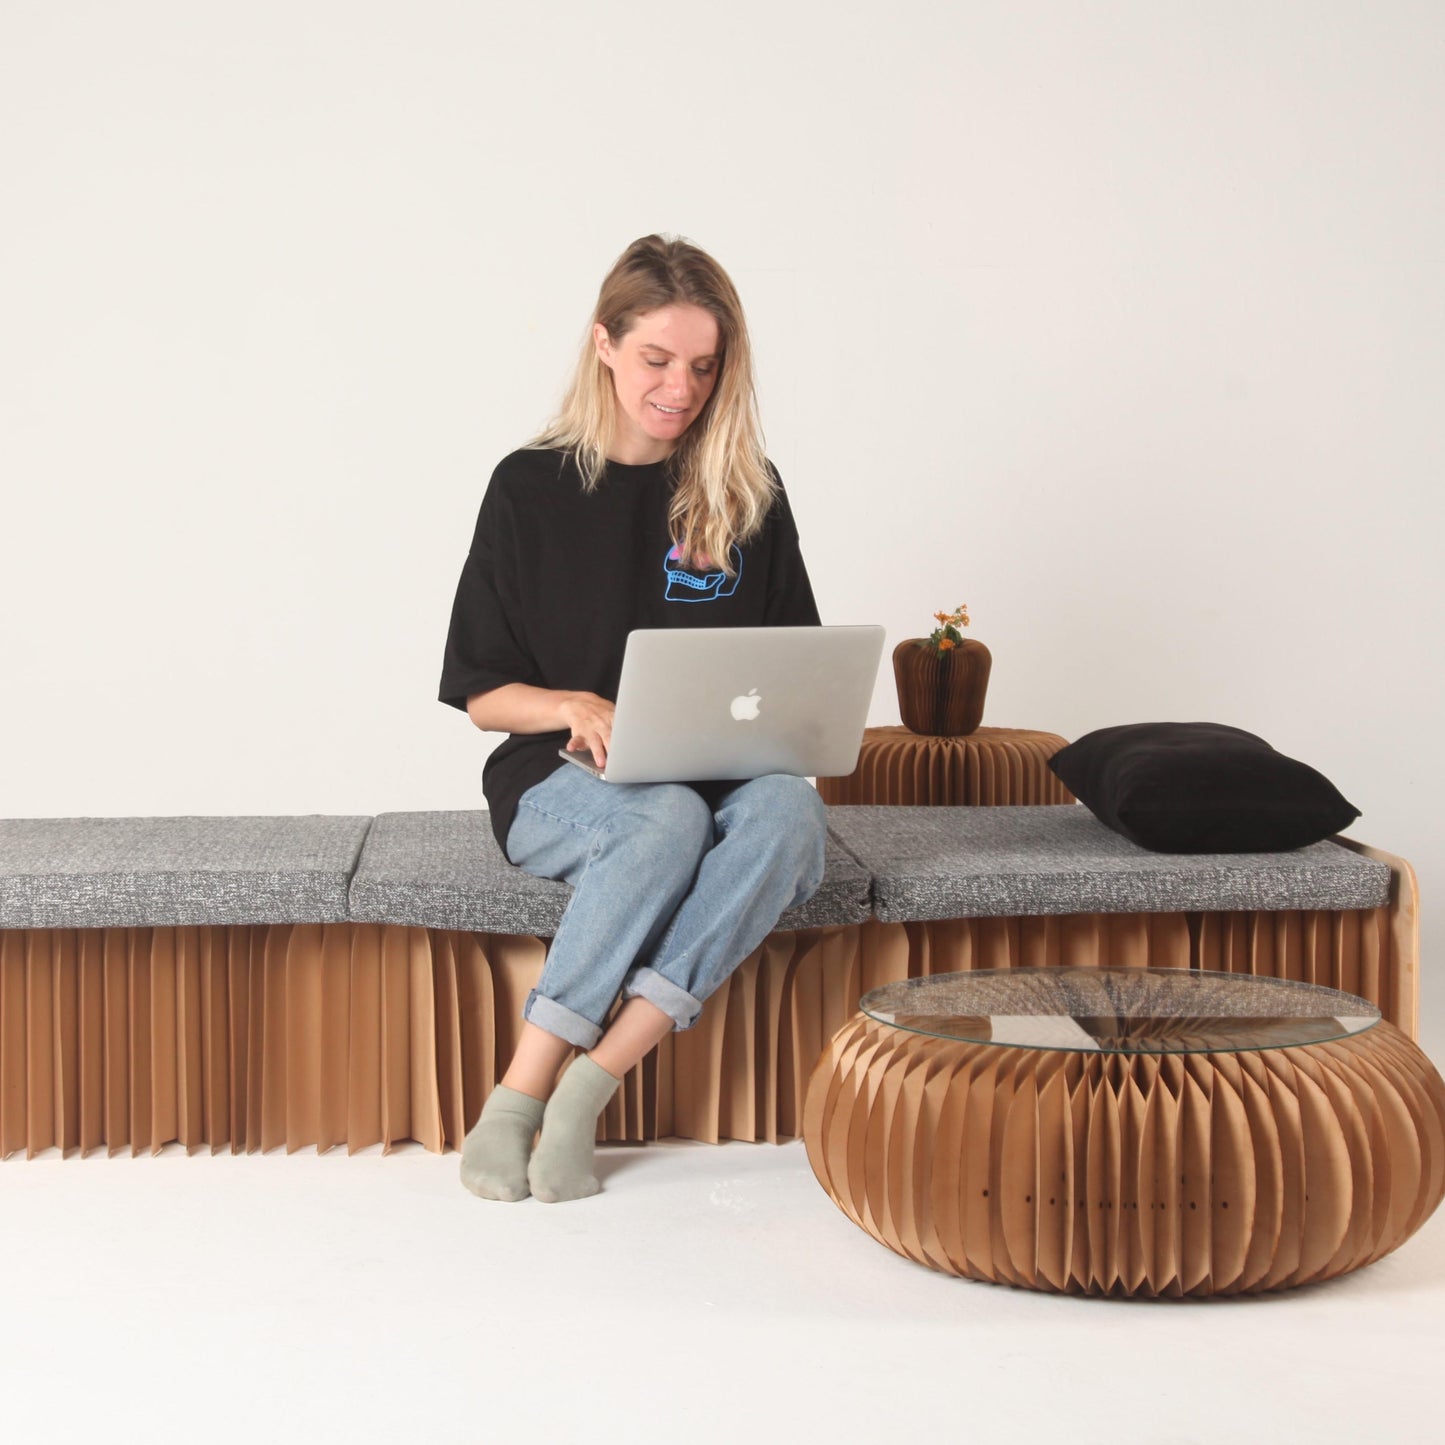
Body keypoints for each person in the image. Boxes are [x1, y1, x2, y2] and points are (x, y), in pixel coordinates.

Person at [438, 233, 827, 1204]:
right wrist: (570, 704)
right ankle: (518, 1095)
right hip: (556, 783)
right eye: (656, 359)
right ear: (603, 343)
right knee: (664, 817)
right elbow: (482, 690)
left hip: (712, 776)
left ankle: (591, 1083)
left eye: (703, 365)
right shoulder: (526, 489)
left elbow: (796, 672)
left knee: (787, 812)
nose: (679, 387)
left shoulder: (747, 490)